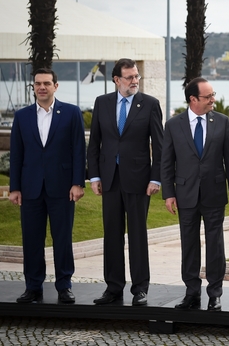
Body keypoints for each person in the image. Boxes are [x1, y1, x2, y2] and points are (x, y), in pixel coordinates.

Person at [87, 58, 163, 306]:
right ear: (116, 80)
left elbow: (160, 147)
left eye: (137, 76)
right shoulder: (102, 103)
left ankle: (140, 288)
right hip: (109, 178)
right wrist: (95, 175)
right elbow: (94, 143)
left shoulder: (150, 104)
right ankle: (113, 288)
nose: (134, 81)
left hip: (140, 180)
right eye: (129, 77)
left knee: (138, 235)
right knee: (112, 235)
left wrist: (156, 178)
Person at [161, 78, 229, 311]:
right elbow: (167, 162)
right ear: (193, 99)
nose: (213, 99)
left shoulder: (222, 122)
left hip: (215, 193)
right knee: (189, 244)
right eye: (208, 97)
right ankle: (191, 292)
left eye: (213, 94)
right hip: (185, 193)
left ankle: (215, 293)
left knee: (215, 245)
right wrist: (169, 193)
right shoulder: (174, 125)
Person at [9, 68, 85, 304]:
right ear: (33, 87)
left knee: (62, 238)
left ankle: (64, 286)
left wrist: (77, 183)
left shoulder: (71, 113)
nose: (42, 87)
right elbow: (17, 154)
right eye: (38, 84)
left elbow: (78, 150)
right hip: (30, 188)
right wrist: (14, 187)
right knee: (31, 239)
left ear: (56, 86)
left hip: (62, 188)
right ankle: (33, 287)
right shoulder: (22, 117)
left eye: (46, 83)